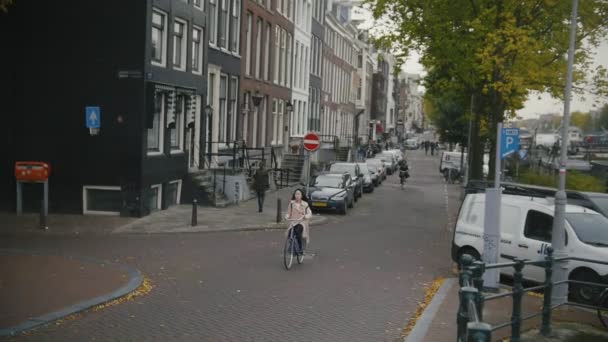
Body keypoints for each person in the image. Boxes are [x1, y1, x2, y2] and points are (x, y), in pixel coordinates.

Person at [284, 189, 313, 255]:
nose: (297, 195)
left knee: (298, 231)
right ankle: (292, 247)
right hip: (293, 222)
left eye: (298, 194)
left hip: (301, 222)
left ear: (302, 195)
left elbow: (310, 213)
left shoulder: (305, 204)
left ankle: (300, 248)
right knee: (290, 233)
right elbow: (288, 213)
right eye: (296, 194)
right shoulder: (291, 203)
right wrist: (287, 216)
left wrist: (305, 216)